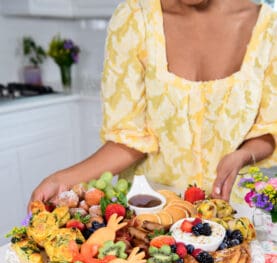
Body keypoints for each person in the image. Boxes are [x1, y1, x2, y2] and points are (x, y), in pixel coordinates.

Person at [29, 0, 277, 209]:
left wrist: (243, 155)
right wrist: (61, 179)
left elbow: (269, 129)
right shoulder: (134, 19)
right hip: (149, 214)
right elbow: (129, 139)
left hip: (232, 212)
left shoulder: (268, 28)